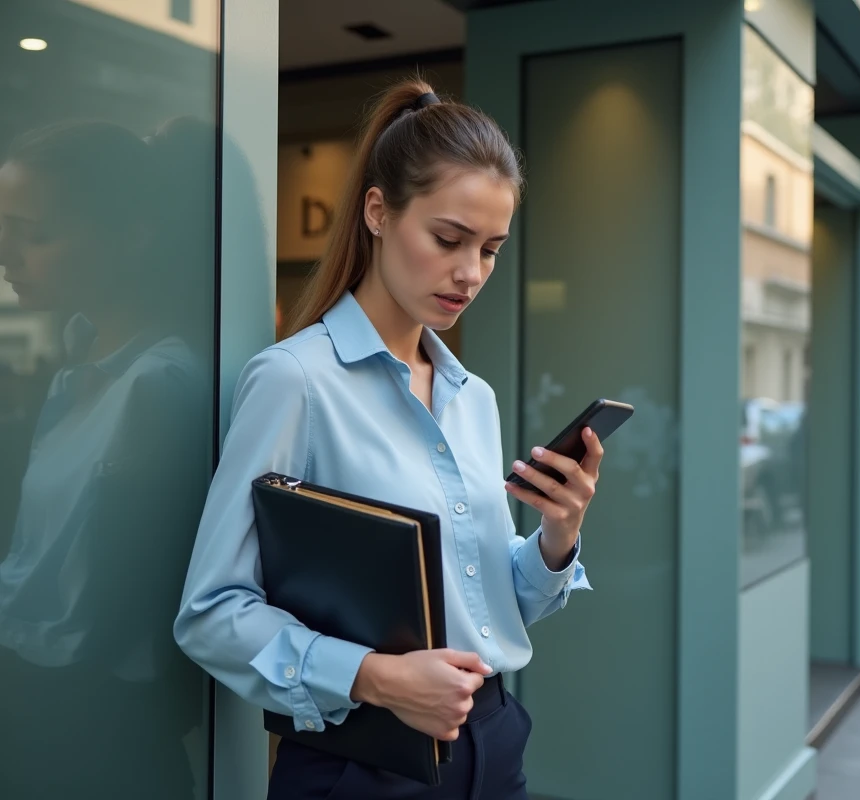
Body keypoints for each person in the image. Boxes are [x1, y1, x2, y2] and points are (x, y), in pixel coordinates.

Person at [174, 80, 597, 800]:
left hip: (493, 745)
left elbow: (480, 602)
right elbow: (212, 612)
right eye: (448, 239)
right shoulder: (295, 381)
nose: (471, 273)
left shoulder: (474, 398)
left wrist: (559, 535)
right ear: (377, 211)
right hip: (362, 765)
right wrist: (375, 677)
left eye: (491, 249)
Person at [0, 119, 213, 796]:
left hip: (87, 731)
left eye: (37, 234)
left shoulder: (155, 387)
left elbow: (103, 612)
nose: (9, 254)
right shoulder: (78, 366)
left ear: (131, 238)